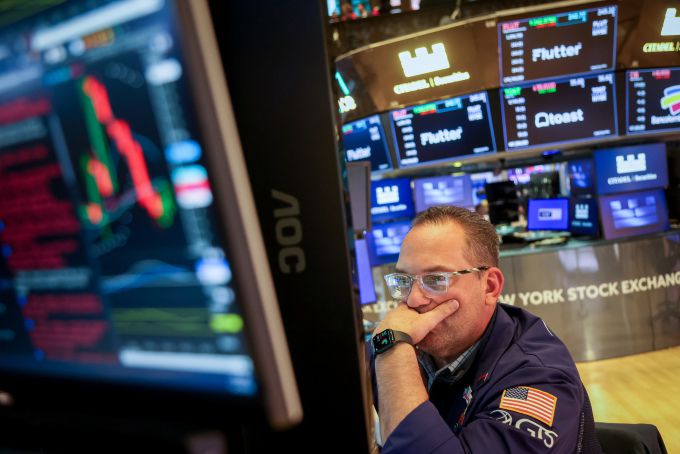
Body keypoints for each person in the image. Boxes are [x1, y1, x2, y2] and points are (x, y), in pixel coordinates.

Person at [370, 206, 601, 453]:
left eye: (436, 279)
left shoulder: (539, 381)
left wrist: (392, 350)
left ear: (490, 287)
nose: (413, 300)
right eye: (403, 281)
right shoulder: (400, 345)